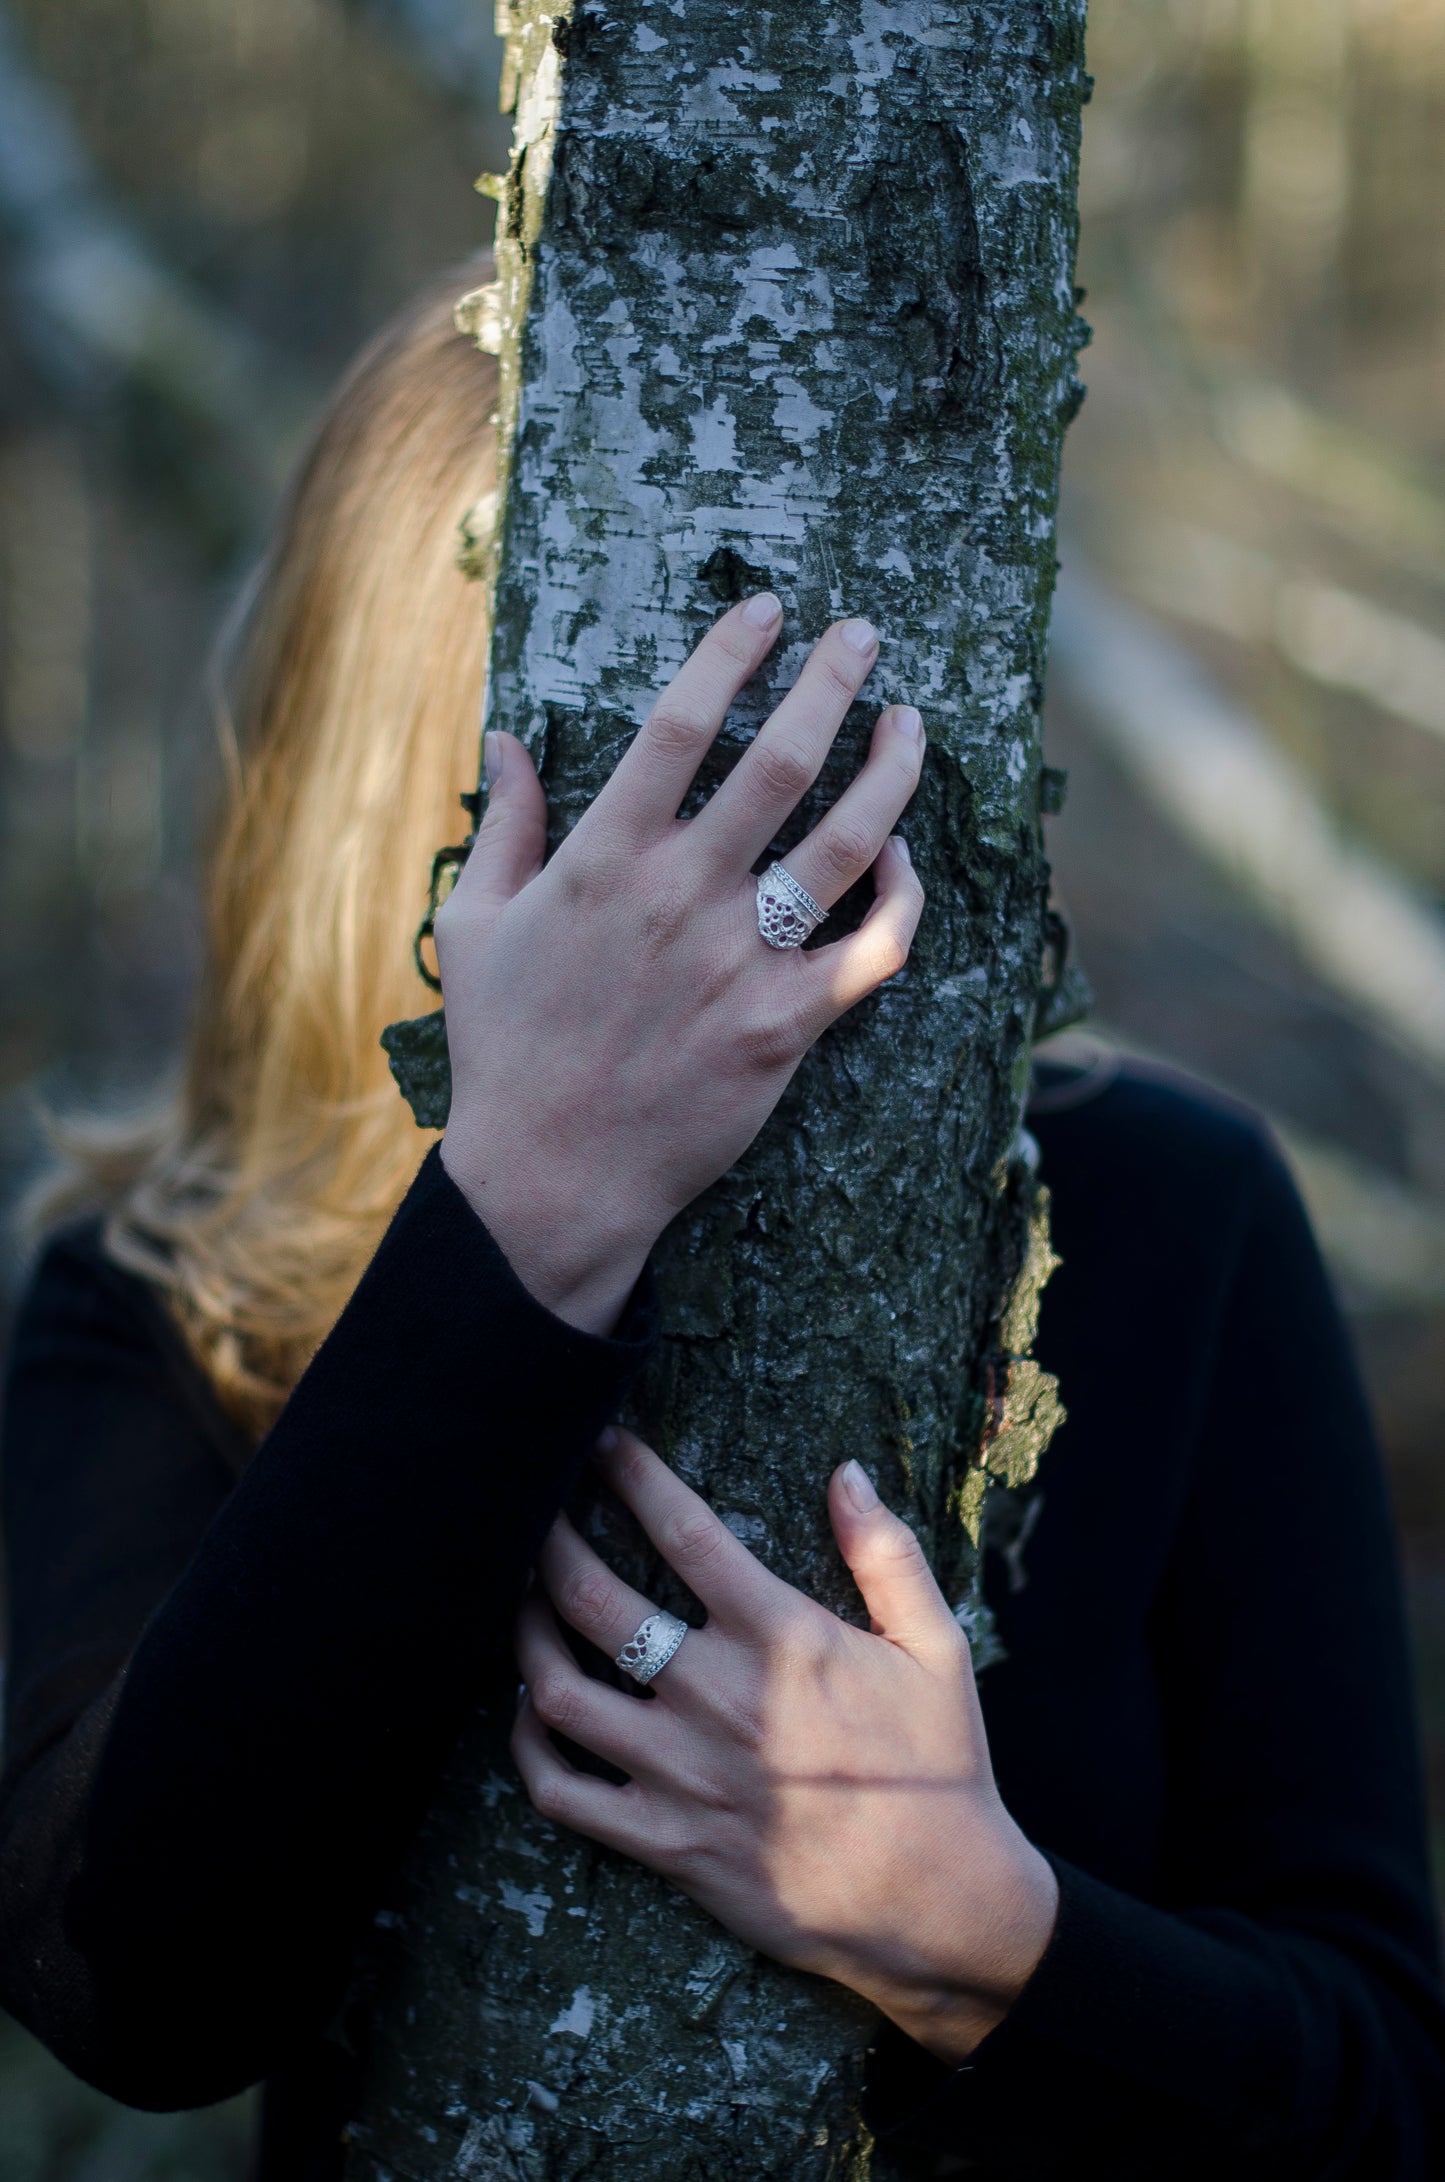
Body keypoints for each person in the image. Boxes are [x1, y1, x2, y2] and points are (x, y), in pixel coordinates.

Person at [1, 266, 1442, 2182]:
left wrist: (991, 1944)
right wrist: (528, 1204)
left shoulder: (1168, 1218)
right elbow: (139, 1981)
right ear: (415, 770)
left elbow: (1381, 2091)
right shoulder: (168, 1277)